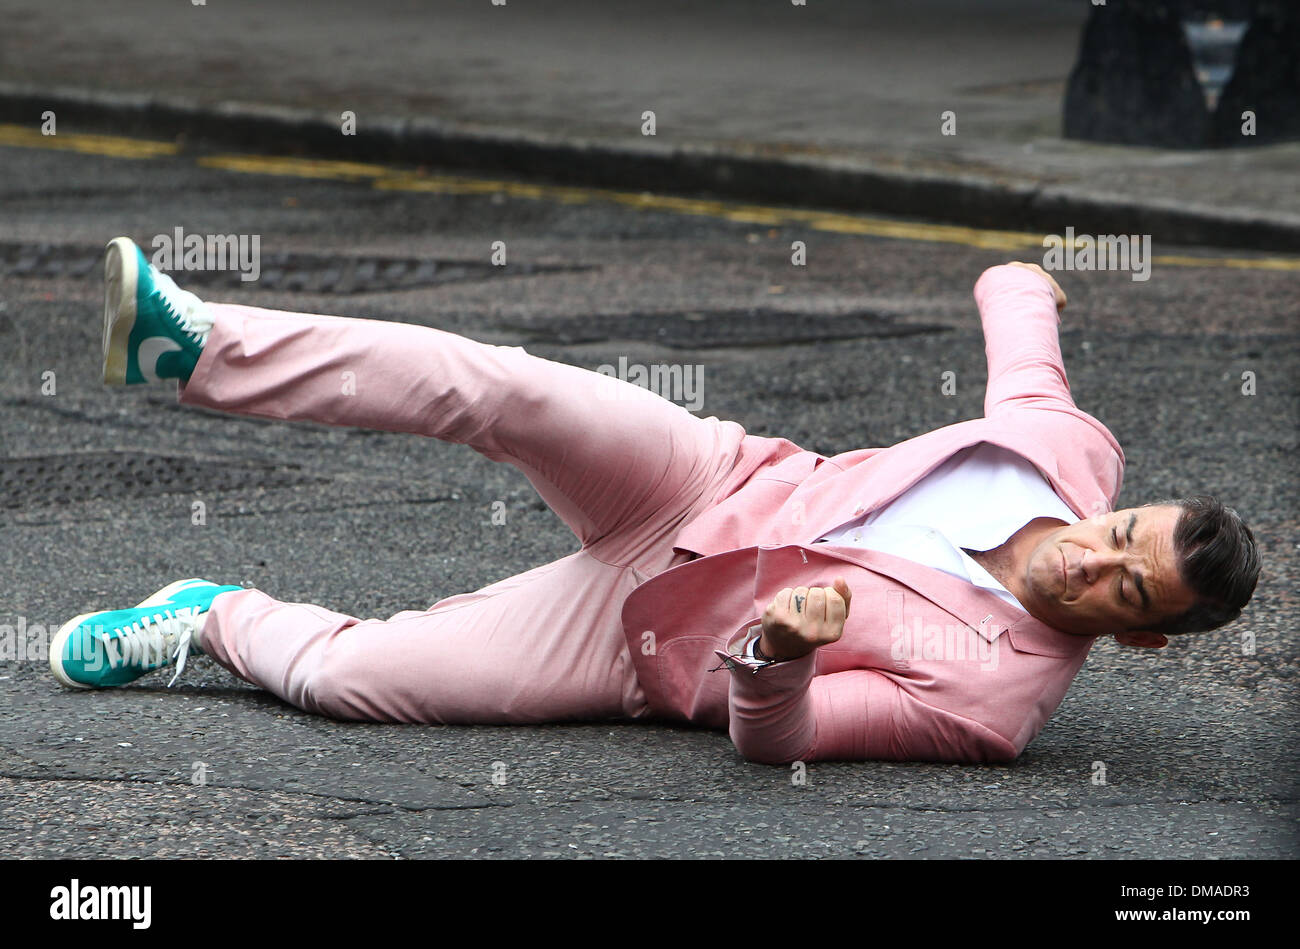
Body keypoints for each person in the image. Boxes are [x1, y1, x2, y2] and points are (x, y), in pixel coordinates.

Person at [49, 237, 1260, 764]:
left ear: (1143, 633)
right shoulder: (1065, 453)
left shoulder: (992, 703)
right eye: (1117, 535)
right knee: (499, 386)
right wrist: (1027, 273)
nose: (1090, 562)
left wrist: (776, 653)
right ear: (1120, 502)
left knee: (363, 683)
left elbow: (776, 740)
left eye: (1123, 589)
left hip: (643, 642)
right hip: (707, 473)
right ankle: (192, 346)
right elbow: (1018, 318)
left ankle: (208, 614)